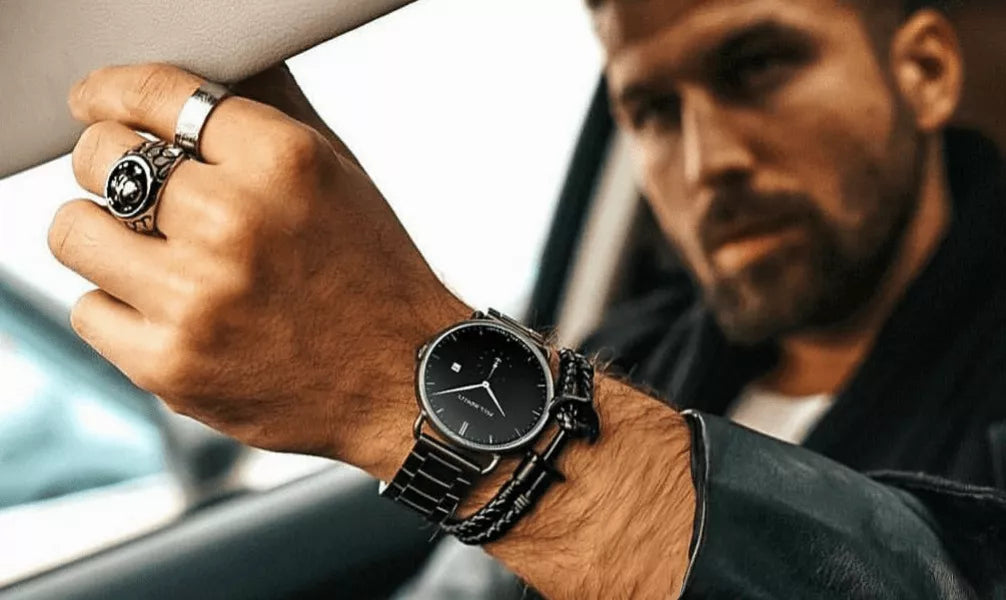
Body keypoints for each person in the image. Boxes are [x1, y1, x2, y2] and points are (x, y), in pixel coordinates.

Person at [46, 0, 1006, 598]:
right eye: (651, 111)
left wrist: (397, 377)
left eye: (757, 66)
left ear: (924, 71)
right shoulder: (631, 350)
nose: (707, 159)